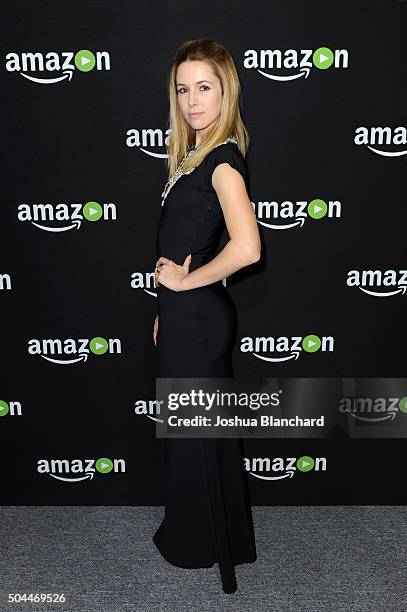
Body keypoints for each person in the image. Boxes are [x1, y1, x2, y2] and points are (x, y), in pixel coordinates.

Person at [152, 38, 261, 594]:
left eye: (204, 88)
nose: (193, 101)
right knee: (193, 431)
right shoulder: (191, 153)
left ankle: (202, 543)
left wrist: (187, 283)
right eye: (183, 89)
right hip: (185, 316)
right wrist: (165, 306)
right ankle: (217, 537)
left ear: (225, 91)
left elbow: (248, 248)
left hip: (199, 318)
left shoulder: (222, 159)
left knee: (196, 431)